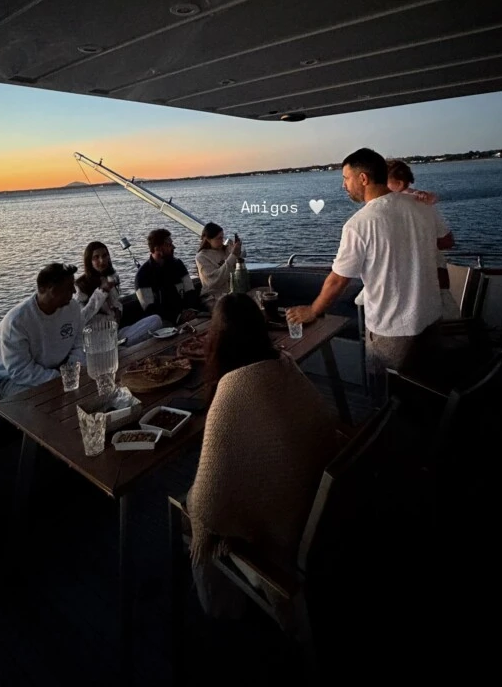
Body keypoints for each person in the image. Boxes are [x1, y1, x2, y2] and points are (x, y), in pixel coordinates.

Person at [187, 293, 337, 618]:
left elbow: (206, 506)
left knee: (192, 514)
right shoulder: (286, 365)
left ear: (219, 340)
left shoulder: (231, 395)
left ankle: (221, 617)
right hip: (325, 516)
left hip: (286, 548)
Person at [287, 147, 453, 389]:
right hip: (430, 317)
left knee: (386, 397)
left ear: (363, 178)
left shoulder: (360, 224)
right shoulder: (422, 205)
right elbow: (445, 240)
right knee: (427, 389)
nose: (344, 185)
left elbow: (337, 281)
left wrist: (312, 311)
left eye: (346, 178)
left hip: (393, 329)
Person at [0, 263, 85, 399]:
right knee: (48, 402)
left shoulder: (73, 309)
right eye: (69, 288)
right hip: (13, 381)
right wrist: (59, 379)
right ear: (52, 290)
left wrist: (71, 373)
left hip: (59, 372)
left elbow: (79, 344)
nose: (74, 292)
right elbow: (21, 371)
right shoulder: (15, 322)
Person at [386, 158, 460, 319]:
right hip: (425, 281)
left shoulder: (419, 203)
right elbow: (447, 241)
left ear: (398, 184)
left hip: (419, 284)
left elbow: (447, 241)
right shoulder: (422, 203)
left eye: (384, 183)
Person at [75, 241, 163, 345]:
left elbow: (116, 304)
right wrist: (101, 292)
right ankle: (121, 347)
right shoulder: (81, 285)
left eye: (104, 256)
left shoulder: (110, 278)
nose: (101, 260)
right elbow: (81, 319)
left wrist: (118, 310)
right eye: (96, 257)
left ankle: (122, 345)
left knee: (156, 320)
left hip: (115, 333)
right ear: (89, 261)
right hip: (97, 341)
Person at [135, 229, 200, 325]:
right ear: (157, 249)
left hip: (187, 314)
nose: (174, 247)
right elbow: (149, 308)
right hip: (163, 322)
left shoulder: (178, 265)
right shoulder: (142, 275)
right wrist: (178, 317)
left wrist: (190, 310)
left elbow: (190, 290)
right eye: (169, 244)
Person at [195, 222, 242, 309]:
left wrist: (237, 252)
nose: (222, 241)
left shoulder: (225, 250)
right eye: (218, 238)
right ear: (208, 240)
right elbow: (215, 281)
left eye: (222, 237)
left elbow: (236, 269)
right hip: (212, 297)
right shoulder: (201, 257)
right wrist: (233, 256)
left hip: (230, 293)